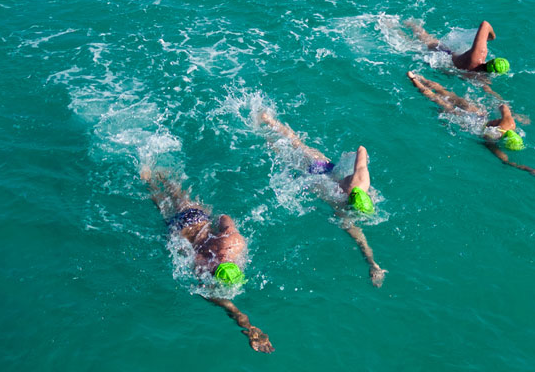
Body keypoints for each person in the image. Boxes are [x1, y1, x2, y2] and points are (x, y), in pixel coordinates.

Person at [142, 167, 274, 353]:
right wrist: (249, 327)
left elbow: (224, 218)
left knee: (180, 196)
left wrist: (215, 221)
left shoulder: (234, 242)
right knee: (161, 205)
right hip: (179, 230)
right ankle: (148, 180)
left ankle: (162, 176)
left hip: (197, 217)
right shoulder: (201, 265)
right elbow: (231, 308)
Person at [257, 110, 384, 286]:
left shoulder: (360, 181)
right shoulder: (342, 210)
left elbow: (362, 149)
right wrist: (373, 264)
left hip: (324, 167)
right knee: (277, 149)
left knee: (297, 144)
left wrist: (348, 160)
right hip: (311, 176)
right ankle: (259, 132)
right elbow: (361, 241)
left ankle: (268, 120)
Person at [406, 71, 535, 176]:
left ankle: (419, 78)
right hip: (472, 121)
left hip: (475, 116)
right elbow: (505, 160)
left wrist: (527, 168)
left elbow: (503, 106)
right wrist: (527, 169)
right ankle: (416, 79)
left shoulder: (508, 124)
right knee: (440, 99)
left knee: (443, 96)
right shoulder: (493, 137)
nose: (495, 124)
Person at [405, 19, 509, 75]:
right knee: (410, 45)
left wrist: (491, 36)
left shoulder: (478, 55)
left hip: (442, 54)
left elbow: (485, 24)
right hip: (441, 67)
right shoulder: (479, 78)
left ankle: (407, 23)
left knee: (423, 39)